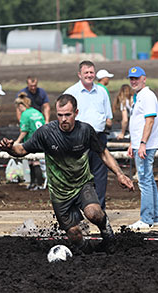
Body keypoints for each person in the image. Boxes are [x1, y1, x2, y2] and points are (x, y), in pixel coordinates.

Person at [0, 94, 134, 254]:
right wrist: (10, 148)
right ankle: (90, 253)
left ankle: (107, 234)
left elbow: (102, 152)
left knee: (94, 213)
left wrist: (119, 174)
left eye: (67, 115)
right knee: (75, 235)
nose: (63, 119)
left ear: (76, 112)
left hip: (82, 184)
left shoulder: (85, 130)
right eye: (60, 115)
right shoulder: (46, 133)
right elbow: (22, 150)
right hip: (60, 193)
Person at [64, 60, 113, 211]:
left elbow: (108, 117)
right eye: (86, 72)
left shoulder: (102, 92)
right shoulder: (71, 93)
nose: (89, 75)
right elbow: (64, 119)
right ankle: (78, 213)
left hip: (98, 138)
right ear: (80, 74)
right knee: (78, 176)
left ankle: (99, 212)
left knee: (100, 176)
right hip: (78, 139)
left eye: (92, 72)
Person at [126, 66, 158, 230]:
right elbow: (138, 122)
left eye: (137, 78)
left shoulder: (147, 96)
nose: (134, 81)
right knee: (149, 180)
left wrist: (142, 144)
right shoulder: (139, 96)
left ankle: (146, 219)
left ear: (144, 79)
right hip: (141, 144)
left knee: (144, 180)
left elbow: (149, 121)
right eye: (131, 79)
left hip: (145, 146)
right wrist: (132, 144)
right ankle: (155, 216)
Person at [14, 92, 46, 190]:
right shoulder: (37, 112)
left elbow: (24, 131)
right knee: (34, 161)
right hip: (42, 139)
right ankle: (34, 183)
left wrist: (17, 142)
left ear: (20, 106)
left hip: (32, 141)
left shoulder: (25, 114)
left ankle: (37, 184)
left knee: (34, 162)